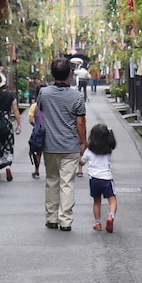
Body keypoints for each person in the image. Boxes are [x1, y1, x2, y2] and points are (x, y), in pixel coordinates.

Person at [37, 58, 86, 231]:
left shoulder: (43, 93)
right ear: (70, 73)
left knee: (51, 180)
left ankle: (51, 218)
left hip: (49, 144)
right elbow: (80, 122)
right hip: (70, 145)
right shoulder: (77, 96)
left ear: (51, 74)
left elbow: (39, 113)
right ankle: (65, 220)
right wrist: (83, 142)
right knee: (67, 183)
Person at [80, 123, 118, 232]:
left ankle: (98, 223)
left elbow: (81, 162)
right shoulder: (108, 150)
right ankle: (111, 216)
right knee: (112, 200)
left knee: (96, 202)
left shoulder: (89, 151)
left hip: (94, 180)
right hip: (106, 179)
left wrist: (81, 153)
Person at [27, 78, 45, 178]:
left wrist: (37, 125)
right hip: (50, 130)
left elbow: (30, 120)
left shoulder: (34, 106)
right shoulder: (50, 105)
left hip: (38, 130)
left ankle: (37, 170)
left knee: (37, 151)